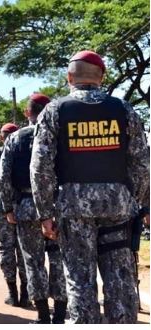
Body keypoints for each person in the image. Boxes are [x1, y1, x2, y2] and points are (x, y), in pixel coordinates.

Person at [30, 50, 149, 323]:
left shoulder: (55, 110)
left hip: (73, 209)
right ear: (102, 77)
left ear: (69, 77)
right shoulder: (123, 109)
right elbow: (142, 163)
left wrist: (45, 213)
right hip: (118, 208)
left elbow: (40, 168)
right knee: (120, 282)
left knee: (80, 281)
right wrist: (135, 201)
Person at [0, 94, 68, 323]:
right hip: (59, 206)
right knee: (59, 260)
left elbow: (4, 177)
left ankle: (42, 315)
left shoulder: (14, 138)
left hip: (27, 207)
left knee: (33, 261)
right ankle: (59, 314)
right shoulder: (60, 134)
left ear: (27, 113)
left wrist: (8, 207)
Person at [0, 123, 29, 308]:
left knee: (6, 250)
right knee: (25, 250)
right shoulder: (24, 149)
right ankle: (25, 293)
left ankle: (12, 293)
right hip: (23, 205)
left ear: (2, 137)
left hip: (3, 209)